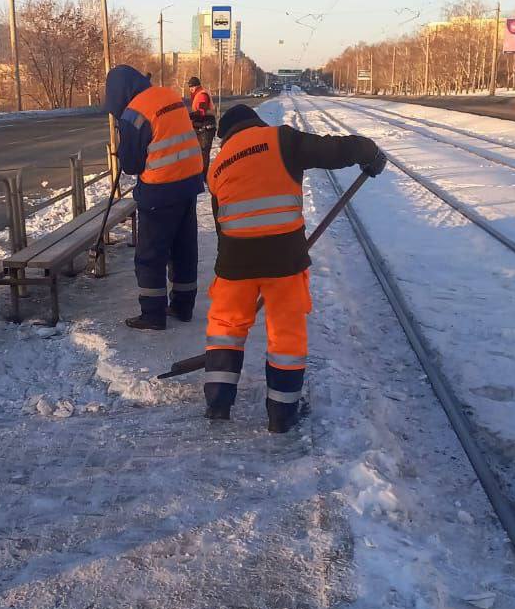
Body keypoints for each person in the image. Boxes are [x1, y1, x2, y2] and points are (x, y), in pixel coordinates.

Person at [204, 103, 386, 433]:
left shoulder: (216, 166)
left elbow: (222, 227)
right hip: (283, 258)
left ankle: (217, 405)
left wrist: (238, 268)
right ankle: (281, 417)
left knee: (226, 328)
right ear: (255, 122)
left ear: (226, 135)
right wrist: (369, 151)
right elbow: (333, 150)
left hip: (233, 260)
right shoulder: (280, 140)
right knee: (285, 333)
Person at [105, 65, 204, 330]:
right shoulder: (169, 95)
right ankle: (183, 307)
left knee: (151, 255)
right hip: (190, 183)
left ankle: (153, 315)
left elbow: (132, 165)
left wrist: (123, 148)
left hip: (160, 190)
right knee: (184, 249)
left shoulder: (134, 115)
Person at [187, 76, 217, 177]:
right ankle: (199, 174)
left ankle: (203, 176)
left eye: (192, 87)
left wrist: (188, 116)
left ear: (197, 86)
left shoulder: (202, 95)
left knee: (203, 152)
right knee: (199, 152)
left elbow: (201, 112)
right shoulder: (197, 95)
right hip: (201, 126)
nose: (190, 89)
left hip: (206, 127)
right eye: (189, 87)